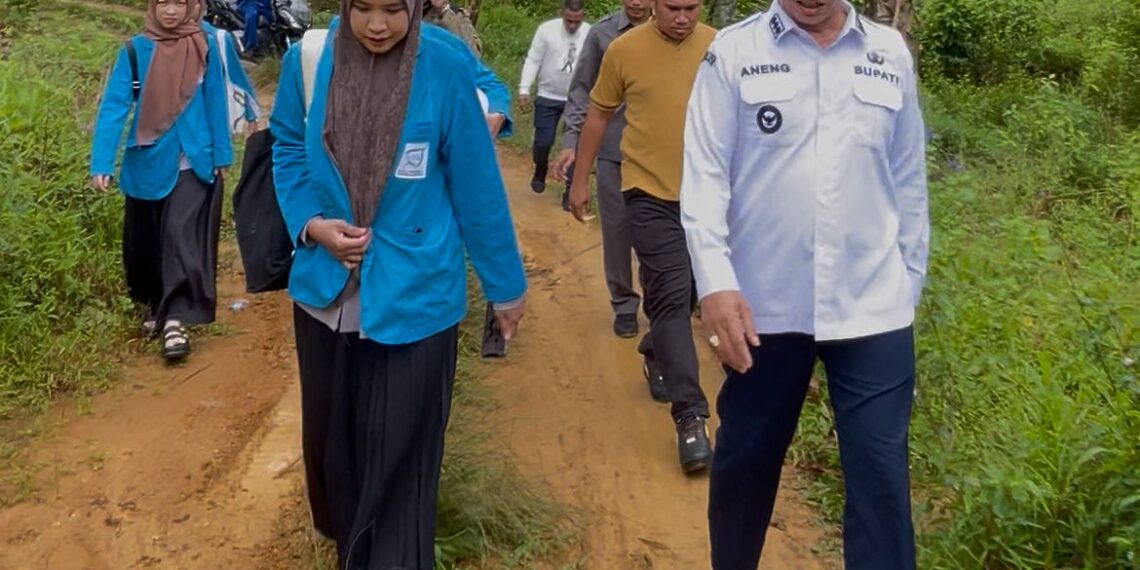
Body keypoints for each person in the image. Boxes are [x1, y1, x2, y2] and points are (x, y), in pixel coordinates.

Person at [269, 0, 527, 566]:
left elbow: (475, 181)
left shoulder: (444, 63)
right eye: (362, 7)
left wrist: (505, 286)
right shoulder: (311, 58)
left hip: (417, 294)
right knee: (335, 455)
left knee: (399, 463)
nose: (378, 25)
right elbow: (286, 146)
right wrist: (312, 224)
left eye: (393, 8)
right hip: (327, 296)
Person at [680, 0, 929, 568]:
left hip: (874, 310)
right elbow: (704, 177)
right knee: (745, 463)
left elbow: (908, 181)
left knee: (880, 478)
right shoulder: (735, 52)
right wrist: (715, 284)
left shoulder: (888, 54)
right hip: (761, 309)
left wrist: (905, 288)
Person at [568, 0, 716, 474]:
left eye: (691, 8)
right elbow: (598, 113)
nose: (682, 17)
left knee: (690, 293)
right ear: (653, 5)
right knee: (670, 297)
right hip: (648, 192)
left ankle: (656, 349)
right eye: (672, 7)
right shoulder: (624, 48)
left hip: (709, 197)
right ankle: (691, 417)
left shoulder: (721, 48)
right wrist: (579, 179)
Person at [90, 0, 233, 362]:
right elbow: (114, 106)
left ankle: (176, 319)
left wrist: (222, 153)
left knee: (179, 233)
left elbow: (216, 99)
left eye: (180, 2)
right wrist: (102, 161)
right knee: (148, 240)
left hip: (193, 158)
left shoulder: (204, 45)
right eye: (163, 1)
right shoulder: (136, 50)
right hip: (149, 161)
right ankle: (157, 303)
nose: (171, 10)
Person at [550, 0, 648, 346]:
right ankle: (623, 303)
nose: (637, 3)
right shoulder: (602, 34)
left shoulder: (677, 32)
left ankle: (661, 303)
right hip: (613, 150)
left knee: (659, 234)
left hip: (661, 156)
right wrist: (572, 142)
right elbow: (581, 91)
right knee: (617, 230)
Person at [517, 0, 589, 200]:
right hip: (548, 95)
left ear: (583, 17)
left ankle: (570, 189)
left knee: (575, 146)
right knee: (543, 141)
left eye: (577, 21)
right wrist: (524, 88)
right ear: (561, 14)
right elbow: (533, 59)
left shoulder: (591, 34)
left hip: (577, 100)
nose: (573, 26)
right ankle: (541, 168)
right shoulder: (546, 30)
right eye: (569, 21)